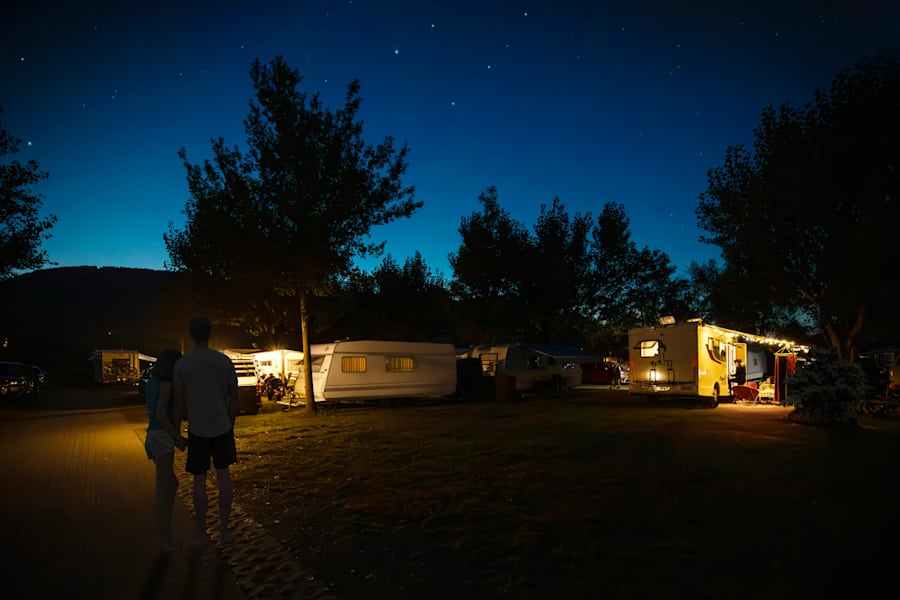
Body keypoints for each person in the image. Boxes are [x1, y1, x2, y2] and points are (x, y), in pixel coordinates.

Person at [173, 317, 239, 547]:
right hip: (222, 427)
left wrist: (176, 432)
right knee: (224, 478)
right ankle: (224, 531)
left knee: (198, 483)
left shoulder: (182, 365)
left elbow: (179, 403)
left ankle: (201, 535)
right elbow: (234, 396)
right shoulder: (224, 361)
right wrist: (230, 423)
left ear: (191, 335)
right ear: (210, 334)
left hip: (197, 429)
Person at [144, 348, 186, 552]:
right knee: (164, 488)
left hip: (152, 435)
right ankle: (163, 536)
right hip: (161, 436)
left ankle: (164, 534)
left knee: (169, 485)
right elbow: (161, 415)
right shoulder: (166, 384)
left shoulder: (151, 383)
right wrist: (177, 437)